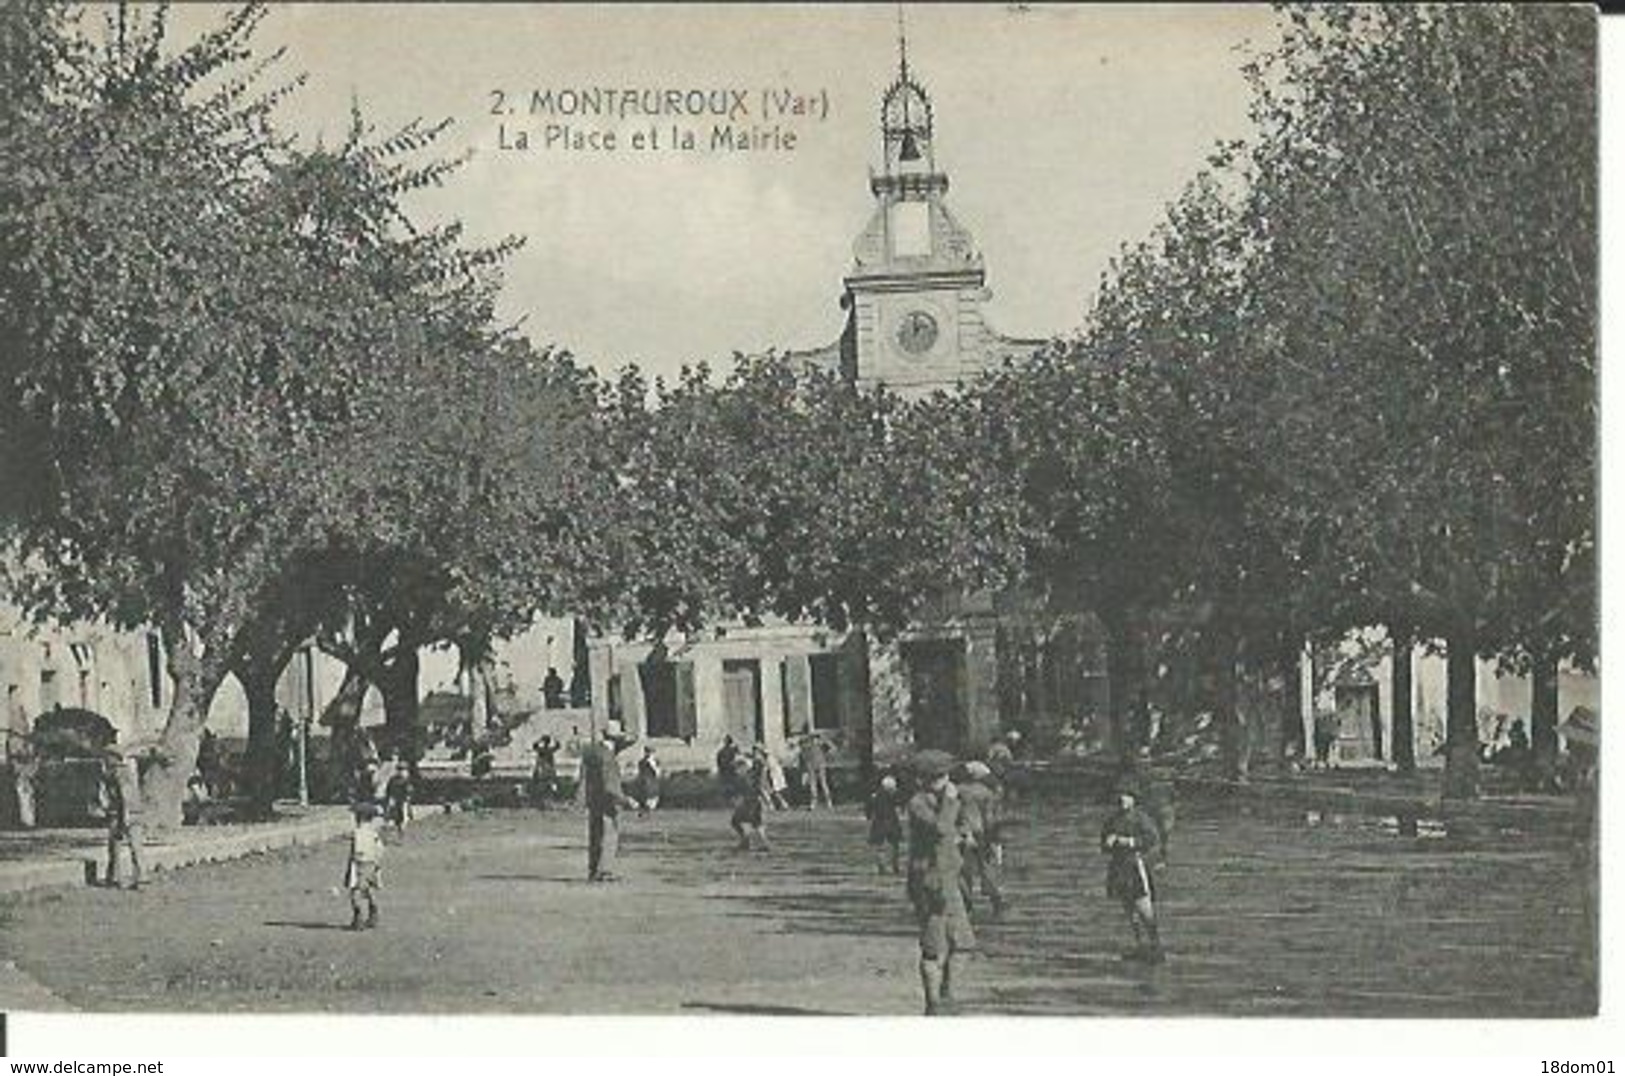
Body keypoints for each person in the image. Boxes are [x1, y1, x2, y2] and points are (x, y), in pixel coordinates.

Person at [906, 750, 973, 1015]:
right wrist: (950, 802)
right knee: (933, 947)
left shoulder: (948, 799)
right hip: (930, 882)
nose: (945, 782)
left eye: (945, 776)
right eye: (940, 777)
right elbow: (941, 829)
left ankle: (948, 991)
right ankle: (932, 1003)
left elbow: (964, 825)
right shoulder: (918, 803)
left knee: (964, 943)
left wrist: (965, 831)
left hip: (952, 878)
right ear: (926, 779)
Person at [1100, 780, 1164, 963]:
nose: (1122, 800)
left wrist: (1129, 842)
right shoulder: (1111, 820)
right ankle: (1139, 944)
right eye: (1119, 796)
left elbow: (1152, 839)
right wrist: (1108, 843)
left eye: (1126, 796)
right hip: (1118, 867)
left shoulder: (1141, 818)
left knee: (1144, 906)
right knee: (1128, 909)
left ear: (1134, 800)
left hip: (1136, 864)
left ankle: (1155, 944)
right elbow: (1103, 844)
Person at [580, 722, 636, 881]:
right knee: (609, 836)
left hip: (594, 801)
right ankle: (604, 871)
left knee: (596, 836)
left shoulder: (593, 752)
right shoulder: (607, 757)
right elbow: (609, 785)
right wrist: (626, 800)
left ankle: (594, 870)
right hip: (608, 802)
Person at [956, 761, 1007, 919]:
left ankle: (967, 905)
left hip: (963, 833)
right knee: (987, 868)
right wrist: (993, 838)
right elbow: (990, 819)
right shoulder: (986, 793)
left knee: (964, 872)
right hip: (981, 833)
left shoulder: (957, 791)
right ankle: (996, 901)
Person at [101, 751, 144, 891]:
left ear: (112, 757)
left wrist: (124, 815)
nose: (105, 759)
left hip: (122, 813)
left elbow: (123, 794)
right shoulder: (126, 772)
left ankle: (115, 877)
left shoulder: (117, 773)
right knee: (135, 846)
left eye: (106, 757)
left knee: (115, 846)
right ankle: (140, 877)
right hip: (134, 812)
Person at [344, 801, 385, 930]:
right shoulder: (374, 833)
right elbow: (380, 849)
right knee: (369, 889)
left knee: (355, 891)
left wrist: (353, 863)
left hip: (359, 864)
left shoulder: (357, 833)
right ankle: (374, 913)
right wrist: (377, 862)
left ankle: (358, 917)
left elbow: (356, 850)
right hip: (372, 863)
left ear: (359, 817)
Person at [730, 744, 771, 852]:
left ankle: (747, 842)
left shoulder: (746, 778)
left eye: (737, 768)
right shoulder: (750, 775)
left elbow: (756, 788)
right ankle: (762, 843)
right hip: (754, 803)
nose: (735, 771)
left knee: (738, 821)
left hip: (750, 803)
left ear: (742, 768)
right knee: (757, 824)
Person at [864, 771, 905, 875]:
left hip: (879, 822)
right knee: (894, 845)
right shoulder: (895, 794)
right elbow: (900, 806)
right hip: (892, 821)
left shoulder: (875, 795)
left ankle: (881, 866)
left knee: (879, 846)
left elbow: (868, 809)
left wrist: (868, 816)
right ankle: (895, 865)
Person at [11, 733, 37, 830]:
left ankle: (29, 822)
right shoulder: (20, 759)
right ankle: (27, 822)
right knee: (25, 802)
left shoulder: (28, 758)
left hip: (26, 782)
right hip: (23, 782)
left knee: (28, 801)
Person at [800, 733, 833, 809]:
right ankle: (813, 803)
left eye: (816, 739)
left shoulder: (821, 747)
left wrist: (824, 740)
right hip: (811, 767)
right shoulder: (808, 748)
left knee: (823, 783)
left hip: (820, 766)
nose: (815, 741)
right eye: (813, 740)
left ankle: (828, 801)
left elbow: (832, 748)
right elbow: (805, 757)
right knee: (813, 785)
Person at [530, 735, 560, 808]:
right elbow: (558, 746)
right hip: (548, 770)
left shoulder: (542, 750)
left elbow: (534, 746)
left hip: (543, 769)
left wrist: (539, 740)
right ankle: (550, 799)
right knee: (551, 784)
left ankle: (541, 801)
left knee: (539, 785)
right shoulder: (549, 750)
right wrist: (555, 739)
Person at [384, 759, 412, 833]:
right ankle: (392, 825)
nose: (401, 772)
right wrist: (389, 798)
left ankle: (402, 827)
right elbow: (389, 790)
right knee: (392, 813)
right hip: (395, 799)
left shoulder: (406, 780)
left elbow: (409, 791)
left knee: (403, 814)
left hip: (402, 800)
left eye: (403, 770)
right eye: (399, 769)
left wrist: (407, 798)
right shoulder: (393, 779)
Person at [634, 745, 662, 817]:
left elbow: (657, 772)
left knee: (649, 797)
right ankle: (645, 811)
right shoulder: (645, 762)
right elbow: (657, 772)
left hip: (648, 781)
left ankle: (644, 811)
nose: (649, 754)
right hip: (647, 781)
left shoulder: (644, 761)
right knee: (648, 797)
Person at [715, 735, 742, 800]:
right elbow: (719, 761)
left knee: (730, 784)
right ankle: (728, 797)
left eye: (728, 741)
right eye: (726, 741)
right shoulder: (722, 751)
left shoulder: (730, 750)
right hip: (727, 770)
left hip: (729, 770)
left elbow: (738, 755)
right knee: (728, 784)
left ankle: (729, 797)